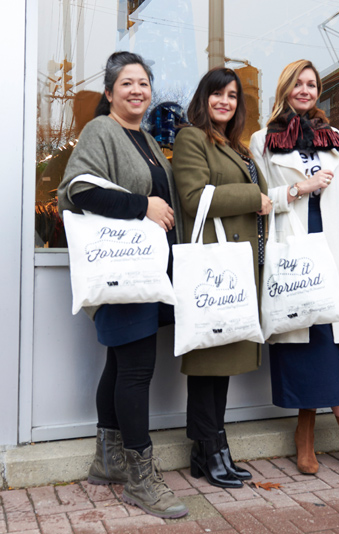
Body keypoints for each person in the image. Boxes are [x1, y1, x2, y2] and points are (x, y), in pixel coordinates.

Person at [57, 51, 187, 519]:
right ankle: (139, 475)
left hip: (145, 272)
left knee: (120, 364)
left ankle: (107, 459)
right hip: (122, 268)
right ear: (110, 92)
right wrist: (141, 206)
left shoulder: (147, 138)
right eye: (127, 83)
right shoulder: (101, 131)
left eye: (144, 83)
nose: (137, 90)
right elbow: (78, 189)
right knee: (136, 369)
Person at [249, 59, 339, 480]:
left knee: (331, 340)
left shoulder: (334, 138)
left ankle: (309, 436)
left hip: (334, 251)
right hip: (296, 255)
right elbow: (263, 199)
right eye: (298, 84)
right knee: (311, 341)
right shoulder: (262, 140)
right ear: (285, 88)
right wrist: (299, 188)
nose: (305, 90)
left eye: (312, 84)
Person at [172, 67, 272, 489]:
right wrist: (254, 198)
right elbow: (194, 199)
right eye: (218, 94)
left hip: (236, 269)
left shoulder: (238, 147)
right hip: (215, 269)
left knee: (222, 365)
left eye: (232, 96)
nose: (225, 102)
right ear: (204, 98)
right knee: (208, 365)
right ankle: (209, 447)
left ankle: (210, 448)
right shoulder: (192, 137)